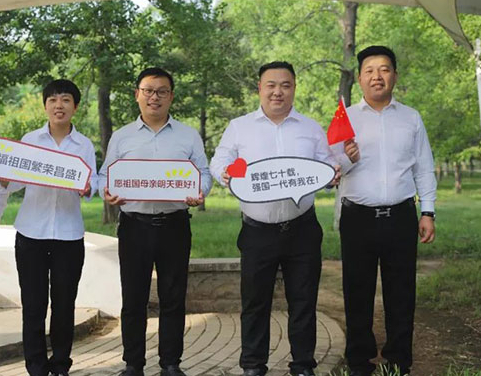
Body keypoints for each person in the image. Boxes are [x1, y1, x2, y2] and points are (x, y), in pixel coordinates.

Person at [210, 61, 339, 376]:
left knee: (303, 301)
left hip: (302, 228)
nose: (277, 91)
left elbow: (325, 164)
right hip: (257, 232)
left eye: (285, 85)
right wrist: (226, 173)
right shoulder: (240, 127)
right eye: (271, 85)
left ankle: (303, 364)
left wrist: (333, 172)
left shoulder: (310, 128)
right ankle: (253, 365)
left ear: (294, 88)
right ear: (260, 88)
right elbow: (219, 161)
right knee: (255, 303)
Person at [98, 67, 212, 376]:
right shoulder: (122, 136)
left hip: (175, 224)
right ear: (137, 95)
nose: (154, 97)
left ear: (171, 96)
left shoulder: (188, 135)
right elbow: (105, 174)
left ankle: (170, 364)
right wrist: (106, 191)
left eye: (162, 91)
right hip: (134, 225)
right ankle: (133, 364)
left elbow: (203, 173)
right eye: (148, 90)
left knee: (173, 298)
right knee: (133, 298)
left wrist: (200, 191)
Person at [333, 45, 436, 376]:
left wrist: (428, 212)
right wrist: (347, 158)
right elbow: (331, 170)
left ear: (395, 76)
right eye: (369, 70)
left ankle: (398, 360)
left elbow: (424, 168)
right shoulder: (345, 118)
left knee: (402, 291)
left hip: (401, 216)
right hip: (357, 218)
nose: (377, 76)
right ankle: (359, 360)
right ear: (360, 78)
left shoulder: (411, 118)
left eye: (384, 69)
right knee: (357, 291)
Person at [0, 79, 97, 376]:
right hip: (31, 233)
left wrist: (88, 188)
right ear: (45, 106)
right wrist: (4, 179)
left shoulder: (84, 145)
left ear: (75, 107)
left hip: (68, 234)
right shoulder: (30, 140)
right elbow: (16, 181)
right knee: (33, 304)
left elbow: (93, 182)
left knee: (64, 304)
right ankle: (35, 366)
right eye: (53, 100)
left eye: (65, 100)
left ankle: (60, 364)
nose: (59, 106)